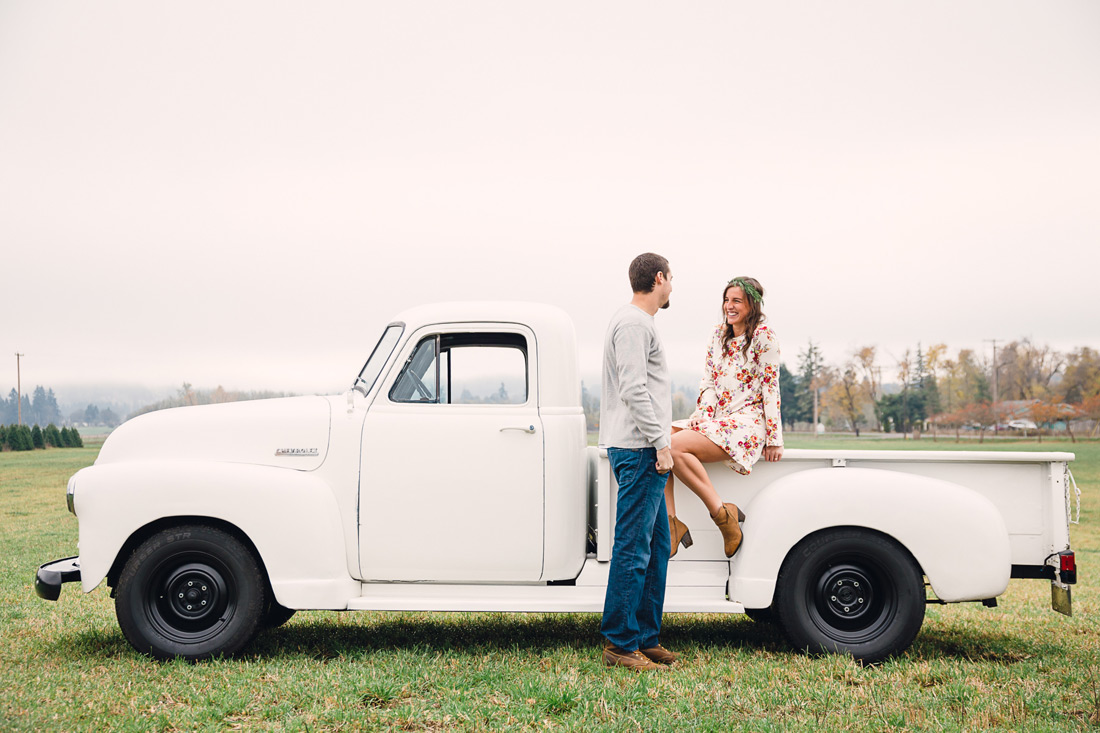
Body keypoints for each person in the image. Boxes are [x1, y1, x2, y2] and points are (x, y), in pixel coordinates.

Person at [665, 276, 784, 559]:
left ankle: (722, 515)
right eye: (726, 300)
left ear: (752, 305)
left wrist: (775, 438)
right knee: (661, 439)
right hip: (718, 419)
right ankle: (671, 524)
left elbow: (771, 387)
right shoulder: (717, 334)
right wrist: (702, 416)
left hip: (747, 423)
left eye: (736, 301)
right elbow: (708, 382)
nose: (729, 306)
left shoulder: (764, 336)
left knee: (674, 448)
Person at [598, 252, 678, 672]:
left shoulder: (639, 323)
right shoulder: (633, 323)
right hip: (640, 449)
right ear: (659, 278)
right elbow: (633, 388)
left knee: (658, 544)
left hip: (644, 447)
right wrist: (660, 442)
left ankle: (645, 637)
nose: (672, 287)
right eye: (671, 278)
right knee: (633, 547)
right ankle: (619, 644)